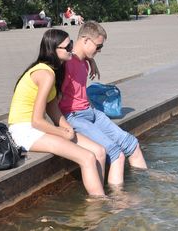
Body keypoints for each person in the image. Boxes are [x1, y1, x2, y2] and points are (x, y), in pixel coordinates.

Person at [8, 29, 106, 196]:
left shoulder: (54, 71)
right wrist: (61, 132)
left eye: (71, 45)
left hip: (35, 128)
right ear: (54, 50)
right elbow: (37, 121)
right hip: (23, 131)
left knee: (99, 151)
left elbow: (53, 109)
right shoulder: (45, 74)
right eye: (67, 47)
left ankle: (99, 191)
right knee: (87, 157)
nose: (71, 50)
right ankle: (99, 204)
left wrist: (67, 128)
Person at [59, 21, 148, 186]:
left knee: (131, 143)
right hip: (75, 117)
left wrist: (91, 60)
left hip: (91, 113)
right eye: (98, 47)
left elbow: (81, 59)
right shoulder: (66, 63)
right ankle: (117, 200)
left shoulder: (84, 61)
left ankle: (147, 181)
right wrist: (63, 126)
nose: (99, 51)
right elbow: (55, 100)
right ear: (85, 40)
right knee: (116, 154)